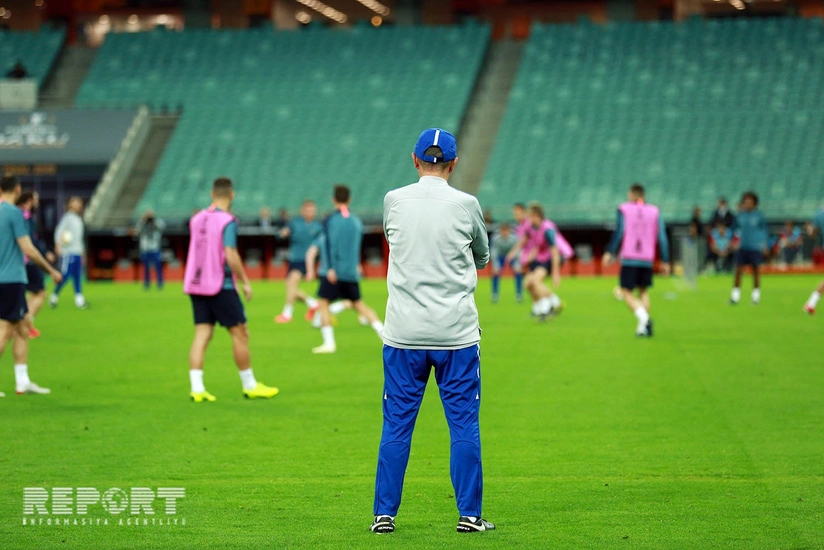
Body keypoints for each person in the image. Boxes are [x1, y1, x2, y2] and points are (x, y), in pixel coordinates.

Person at [372, 128, 494, 535]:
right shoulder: (466, 204)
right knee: (463, 425)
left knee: (396, 425)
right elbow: (483, 257)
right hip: (456, 336)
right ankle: (469, 516)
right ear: (454, 164)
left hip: (403, 334)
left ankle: (384, 515)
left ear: (414, 159)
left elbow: (394, 240)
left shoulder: (393, 200)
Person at [183, 177, 279, 402]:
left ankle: (197, 388)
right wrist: (245, 280)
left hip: (196, 284)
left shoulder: (196, 219)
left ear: (211, 193)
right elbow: (230, 253)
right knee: (240, 332)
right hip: (220, 285)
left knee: (202, 334)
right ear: (232, 195)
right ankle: (250, 384)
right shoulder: (227, 220)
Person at [0, 176, 63, 396]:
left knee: (24, 328)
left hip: (4, 279)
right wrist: (51, 270)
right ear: (17, 189)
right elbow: (28, 249)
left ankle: (22, 381)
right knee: (5, 329)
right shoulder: (14, 213)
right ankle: (21, 381)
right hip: (11, 279)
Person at [309, 186, 383, 354]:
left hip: (333, 270)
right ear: (349, 199)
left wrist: (330, 268)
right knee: (359, 304)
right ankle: (384, 335)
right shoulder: (356, 221)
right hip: (351, 270)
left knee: (323, 303)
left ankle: (329, 343)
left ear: (333, 199)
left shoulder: (330, 220)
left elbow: (329, 246)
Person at [603, 183, 671, 337]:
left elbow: (620, 232)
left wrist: (610, 251)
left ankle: (645, 319)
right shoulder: (655, 211)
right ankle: (642, 328)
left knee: (626, 292)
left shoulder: (624, 209)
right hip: (647, 258)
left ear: (633, 194)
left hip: (630, 257)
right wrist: (665, 260)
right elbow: (662, 237)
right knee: (643, 291)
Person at [505, 203, 564, 320]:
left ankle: (546, 309)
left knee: (536, 281)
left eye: (531, 216)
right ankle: (548, 304)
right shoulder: (531, 228)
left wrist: (555, 272)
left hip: (548, 259)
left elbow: (555, 251)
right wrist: (512, 253)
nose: (528, 219)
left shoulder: (548, 230)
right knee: (527, 284)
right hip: (538, 258)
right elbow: (522, 241)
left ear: (537, 216)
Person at [275, 200, 321, 324]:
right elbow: (282, 233)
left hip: (306, 260)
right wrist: (283, 234)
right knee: (290, 287)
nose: (310, 212)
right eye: (307, 210)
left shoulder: (318, 227)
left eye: (312, 210)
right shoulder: (295, 222)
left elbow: (321, 244)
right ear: (302, 211)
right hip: (294, 259)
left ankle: (287, 313)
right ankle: (313, 303)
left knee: (291, 283)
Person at [15, 191, 49, 337]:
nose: (37, 201)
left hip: (19, 263)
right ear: (28, 200)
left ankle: (25, 323)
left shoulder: (19, 216)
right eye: (35, 198)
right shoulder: (22, 217)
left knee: (27, 295)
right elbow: (29, 243)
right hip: (27, 261)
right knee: (40, 293)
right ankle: (26, 324)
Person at [49, 196, 88, 309]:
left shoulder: (78, 219)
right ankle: (54, 296)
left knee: (77, 277)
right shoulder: (68, 217)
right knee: (65, 276)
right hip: (68, 252)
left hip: (77, 251)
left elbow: (79, 238)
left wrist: (82, 253)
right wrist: (58, 244)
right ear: (70, 204)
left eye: (79, 203)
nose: (78, 205)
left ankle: (79, 300)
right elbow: (59, 231)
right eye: (75, 203)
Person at [730, 191, 768, 305]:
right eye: (746, 202)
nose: (748, 204)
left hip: (755, 247)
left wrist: (764, 244)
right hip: (743, 247)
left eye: (750, 202)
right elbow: (734, 230)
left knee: (756, 271)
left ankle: (755, 297)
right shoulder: (740, 215)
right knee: (738, 271)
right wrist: (734, 241)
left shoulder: (759, 216)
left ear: (754, 203)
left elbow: (764, 231)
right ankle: (735, 297)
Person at [489, 223, 522, 303]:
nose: (504, 233)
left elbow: (518, 249)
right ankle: (495, 294)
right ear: (500, 231)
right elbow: (493, 251)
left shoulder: (514, 238)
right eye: (503, 231)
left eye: (506, 231)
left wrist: (517, 263)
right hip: (500, 256)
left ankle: (519, 294)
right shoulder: (496, 238)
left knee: (518, 271)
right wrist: (495, 265)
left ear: (508, 231)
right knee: (495, 272)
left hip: (512, 256)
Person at [135, 209, 166, 290]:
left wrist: (153, 220)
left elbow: (161, 228)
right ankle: (146, 284)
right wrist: (143, 220)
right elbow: (137, 231)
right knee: (146, 267)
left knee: (158, 266)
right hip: (145, 248)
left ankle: (160, 283)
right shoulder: (142, 222)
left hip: (155, 247)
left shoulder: (157, 221)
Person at [803, 206, 824, 314]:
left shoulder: (819, 215)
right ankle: (811, 304)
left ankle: (811, 304)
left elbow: (812, 234)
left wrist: (808, 228)